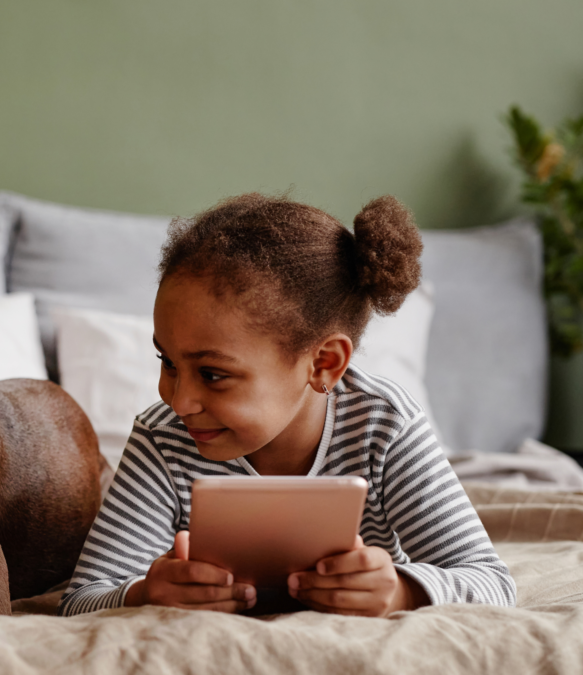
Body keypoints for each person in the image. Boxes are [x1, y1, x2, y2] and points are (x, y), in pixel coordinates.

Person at [59, 193, 515, 617]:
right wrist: (143, 594)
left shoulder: (384, 426)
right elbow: (81, 599)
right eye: (168, 362)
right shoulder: (161, 440)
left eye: (213, 374)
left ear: (324, 363)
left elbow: (492, 582)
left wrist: (402, 590)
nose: (179, 402)